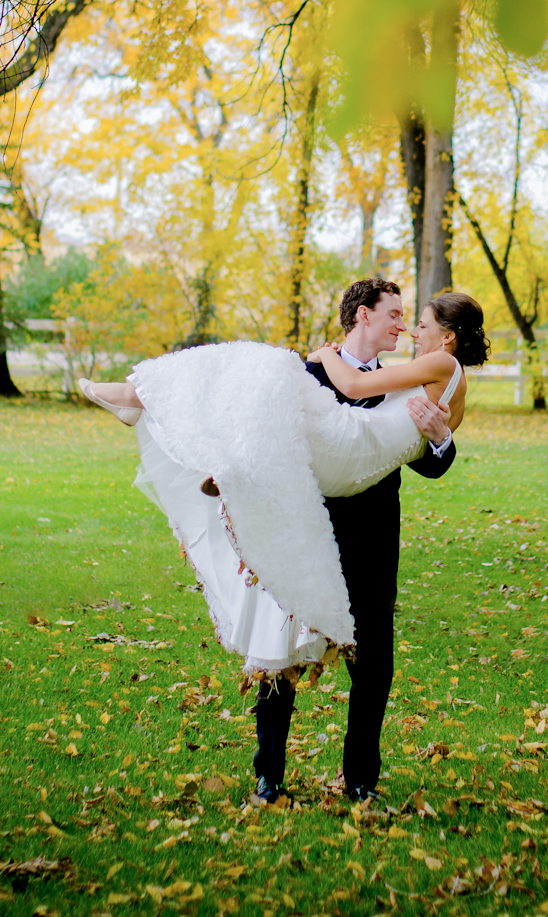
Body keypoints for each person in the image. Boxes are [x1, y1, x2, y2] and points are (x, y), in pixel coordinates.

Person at [80, 280, 489, 807]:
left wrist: (440, 438)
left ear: (448, 337)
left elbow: (437, 454)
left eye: (417, 322)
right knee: (279, 650)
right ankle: (268, 774)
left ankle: (361, 777)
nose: (407, 327)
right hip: (303, 521)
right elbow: (264, 432)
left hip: (371, 531)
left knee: (375, 660)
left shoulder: (409, 378)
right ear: (363, 316)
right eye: (396, 315)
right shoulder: (311, 372)